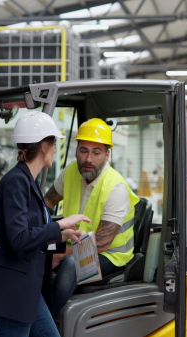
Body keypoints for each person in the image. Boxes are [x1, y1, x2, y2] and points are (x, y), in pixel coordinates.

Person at [0, 110, 90, 337]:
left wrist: (62, 236)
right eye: (53, 144)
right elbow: (19, 238)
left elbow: (34, 232)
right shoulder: (16, 181)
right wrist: (60, 224)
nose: (55, 149)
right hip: (14, 289)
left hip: (27, 289)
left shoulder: (29, 182)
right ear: (43, 146)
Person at [44, 118, 141, 318]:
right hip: (76, 242)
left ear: (107, 155)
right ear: (76, 150)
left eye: (96, 152)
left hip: (111, 255)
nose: (88, 159)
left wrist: (60, 255)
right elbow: (47, 202)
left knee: (71, 264)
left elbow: (101, 244)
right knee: (40, 250)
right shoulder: (71, 171)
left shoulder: (116, 188)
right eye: (83, 150)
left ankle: (46, 322)